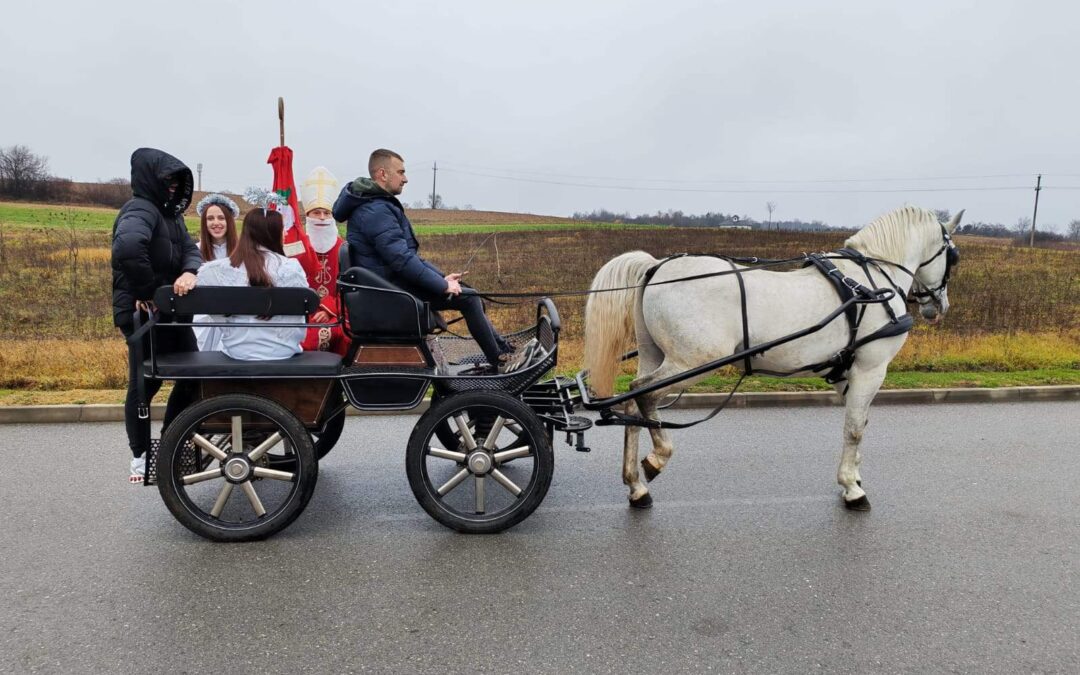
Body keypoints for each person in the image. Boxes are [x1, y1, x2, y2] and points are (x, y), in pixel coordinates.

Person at [333, 149, 529, 373]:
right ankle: (501, 360)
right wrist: (443, 286)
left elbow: (407, 257)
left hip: (389, 287)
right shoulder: (376, 211)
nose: (405, 178)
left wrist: (441, 278)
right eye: (401, 172)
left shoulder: (376, 205)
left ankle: (503, 350)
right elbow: (403, 261)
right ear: (382, 174)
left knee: (468, 294)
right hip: (390, 294)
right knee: (469, 299)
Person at [111, 147, 201, 483]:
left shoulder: (170, 217)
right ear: (150, 179)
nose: (174, 189)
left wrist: (190, 271)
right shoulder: (140, 210)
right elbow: (128, 248)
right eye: (168, 182)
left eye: (178, 184)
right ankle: (139, 455)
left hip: (169, 313)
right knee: (145, 384)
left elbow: (190, 249)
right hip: (145, 314)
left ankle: (170, 440)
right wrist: (147, 291)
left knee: (192, 376)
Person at [195, 205, 309, 361]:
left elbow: (216, 316)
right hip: (283, 351)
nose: (286, 233)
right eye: (282, 228)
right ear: (272, 233)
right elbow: (299, 317)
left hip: (238, 351)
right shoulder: (292, 268)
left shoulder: (213, 271)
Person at [297, 167, 349, 355]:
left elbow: (348, 287)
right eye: (316, 212)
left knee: (342, 334)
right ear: (307, 216)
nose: (321, 218)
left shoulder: (344, 249)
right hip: (300, 310)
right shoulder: (297, 248)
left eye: (326, 213)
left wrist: (328, 309)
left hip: (334, 311)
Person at [192, 193, 240, 351]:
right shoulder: (194, 251)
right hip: (203, 321)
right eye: (210, 219)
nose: (216, 223)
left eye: (221, 218)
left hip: (236, 319)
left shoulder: (242, 252)